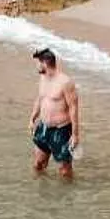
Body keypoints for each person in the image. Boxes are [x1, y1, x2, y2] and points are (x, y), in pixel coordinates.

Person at [30, 47, 81, 180]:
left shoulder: (65, 82)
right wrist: (33, 118)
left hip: (61, 130)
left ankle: (67, 197)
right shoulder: (43, 78)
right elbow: (40, 98)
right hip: (43, 128)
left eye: (38, 63)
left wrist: (75, 135)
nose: (36, 66)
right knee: (38, 164)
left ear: (44, 63)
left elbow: (73, 108)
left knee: (64, 171)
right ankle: (41, 192)